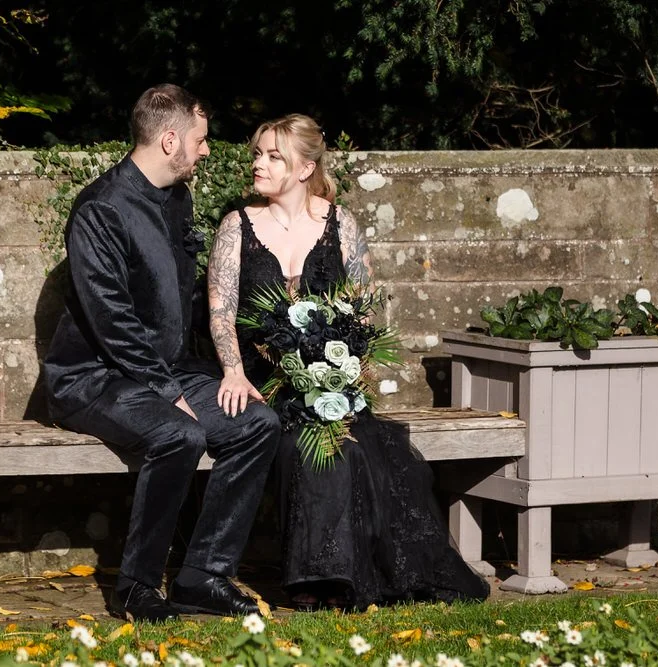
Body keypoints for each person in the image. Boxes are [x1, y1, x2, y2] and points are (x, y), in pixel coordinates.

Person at [206, 113, 490, 611]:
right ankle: (318, 580)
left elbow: (361, 310)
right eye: (258, 154)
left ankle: (345, 575)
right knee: (300, 446)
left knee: (358, 448)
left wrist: (344, 372)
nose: (259, 164)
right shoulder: (237, 227)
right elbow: (221, 310)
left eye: (274, 156)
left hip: (330, 378)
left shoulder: (341, 225)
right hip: (263, 384)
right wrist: (232, 368)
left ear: (303, 168)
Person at [43, 84, 280, 622]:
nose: (207, 150)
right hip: (92, 378)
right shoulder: (100, 210)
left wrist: (235, 365)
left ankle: (203, 576)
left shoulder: (177, 198)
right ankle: (137, 588)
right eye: (200, 139)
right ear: (171, 139)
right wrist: (170, 391)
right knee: (180, 433)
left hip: (166, 370)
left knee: (257, 423)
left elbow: (186, 299)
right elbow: (113, 321)